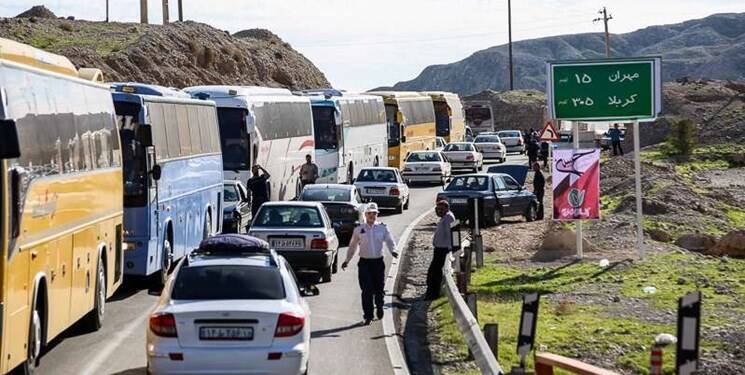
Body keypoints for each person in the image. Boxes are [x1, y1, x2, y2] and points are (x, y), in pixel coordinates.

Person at [341, 203, 399, 325]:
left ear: (377, 214)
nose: (372, 216)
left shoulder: (383, 228)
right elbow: (352, 246)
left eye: (374, 213)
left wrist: (393, 251)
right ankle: (368, 315)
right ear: (365, 215)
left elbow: (390, 241)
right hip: (364, 263)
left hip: (378, 262)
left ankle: (379, 305)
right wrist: (347, 260)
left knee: (379, 288)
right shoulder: (359, 229)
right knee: (366, 290)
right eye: (370, 213)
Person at [425, 200, 456, 300]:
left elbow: (451, 235)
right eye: (437, 209)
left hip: (443, 250)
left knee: (434, 273)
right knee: (433, 272)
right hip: (439, 249)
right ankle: (432, 293)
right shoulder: (445, 217)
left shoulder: (448, 218)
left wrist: (450, 250)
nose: (439, 211)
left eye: (441, 209)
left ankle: (433, 294)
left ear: (447, 209)